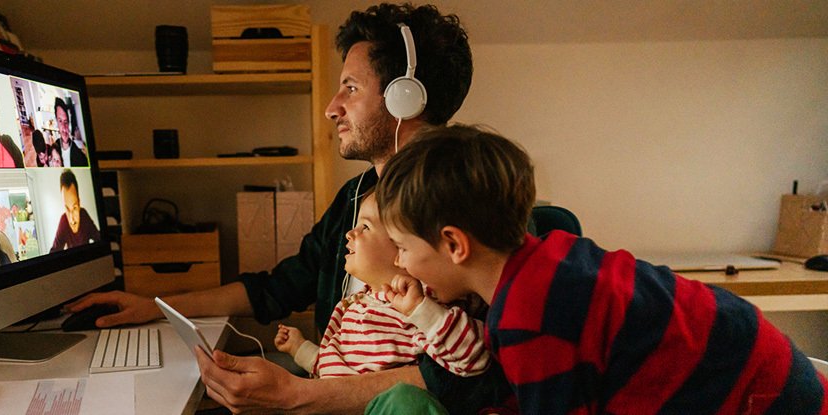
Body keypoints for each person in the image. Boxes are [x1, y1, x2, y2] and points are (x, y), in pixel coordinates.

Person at [65, 4, 507, 413]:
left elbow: (475, 375)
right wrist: (155, 306)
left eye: (350, 88)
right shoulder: (354, 198)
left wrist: (300, 395)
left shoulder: (472, 204)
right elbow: (278, 287)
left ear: (403, 97)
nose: (332, 108)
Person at [374, 124, 828, 413]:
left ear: (454, 243)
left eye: (401, 247)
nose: (399, 262)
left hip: (760, 396)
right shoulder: (548, 254)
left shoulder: (528, 316)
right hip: (768, 362)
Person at [275, 190, 488, 379]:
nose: (350, 233)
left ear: (401, 245)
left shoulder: (419, 304)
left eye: (365, 226)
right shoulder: (351, 306)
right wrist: (299, 348)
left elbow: (474, 357)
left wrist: (421, 310)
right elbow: (334, 370)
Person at [50, 169, 100, 252]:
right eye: (67, 209)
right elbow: (54, 251)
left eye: (74, 208)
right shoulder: (63, 220)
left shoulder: (84, 215)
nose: (71, 219)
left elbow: (99, 238)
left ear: (79, 203)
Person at [53, 97, 88, 167]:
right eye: (60, 121)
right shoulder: (54, 148)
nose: (64, 127)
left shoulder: (79, 152)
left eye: (66, 121)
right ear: (56, 122)